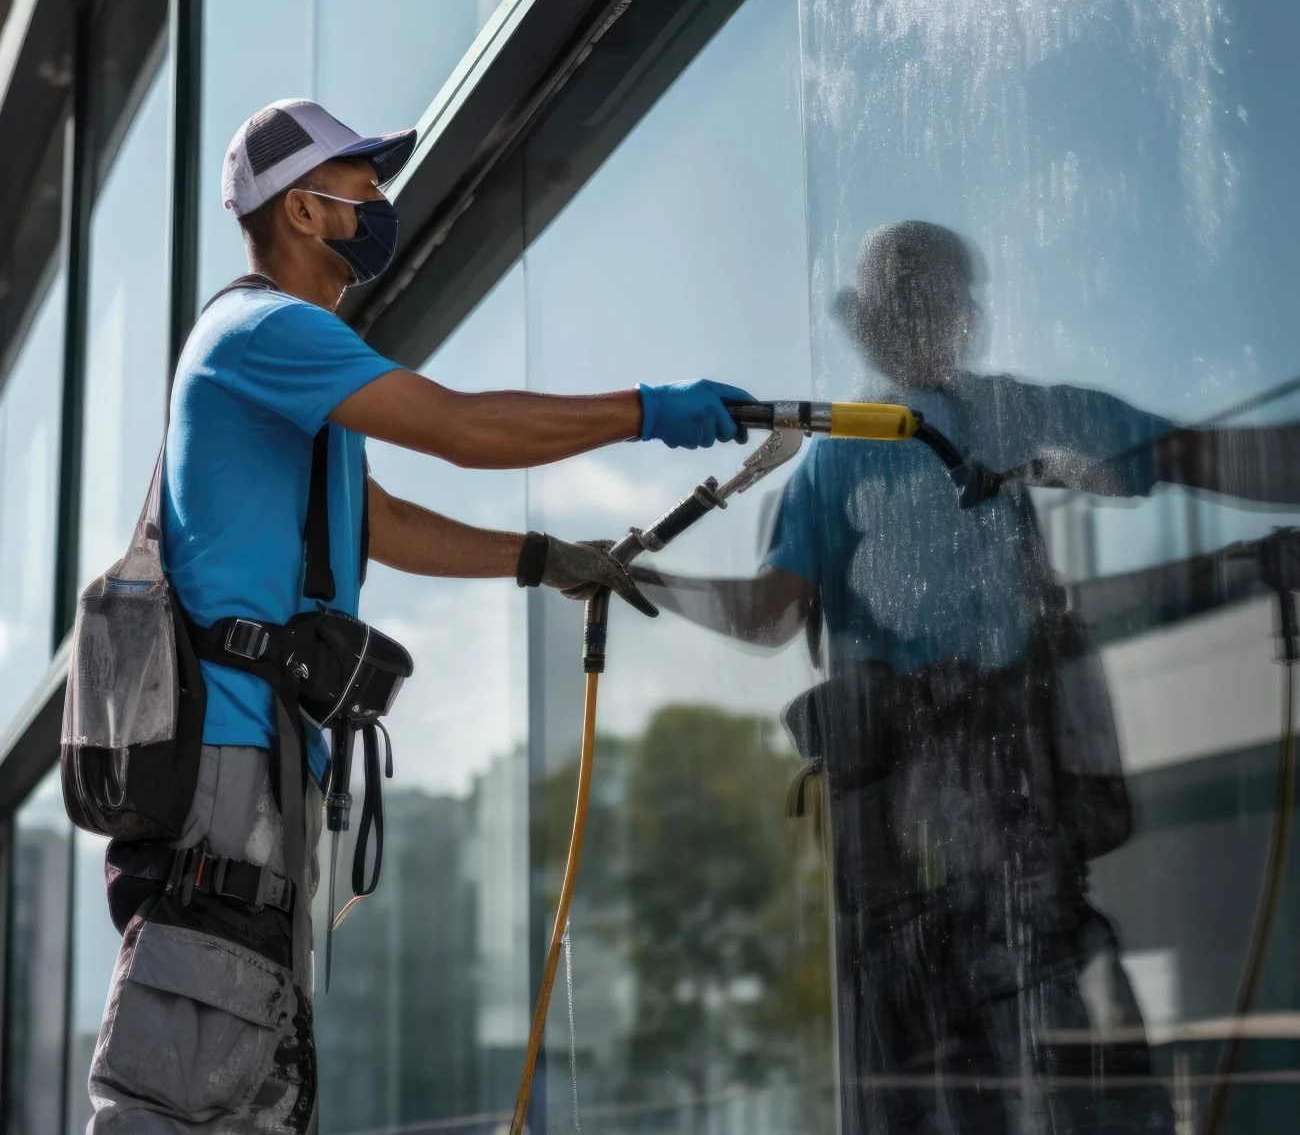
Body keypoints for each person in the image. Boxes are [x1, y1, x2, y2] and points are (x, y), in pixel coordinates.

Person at [85, 99, 752, 1132]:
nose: (380, 199)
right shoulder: (263, 329)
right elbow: (459, 427)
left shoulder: (305, 370)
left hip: (270, 763)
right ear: (302, 211)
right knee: (185, 1083)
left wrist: (539, 558)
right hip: (226, 759)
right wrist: (646, 410)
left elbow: (377, 521)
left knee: (249, 1073)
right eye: (362, 181)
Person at [639, 220, 1300, 1133]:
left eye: (933, 298)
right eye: (894, 304)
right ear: (870, 323)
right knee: (936, 1086)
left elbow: (1191, 454)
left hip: (1011, 814)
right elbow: (772, 611)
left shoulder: (1007, 418)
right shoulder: (834, 456)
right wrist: (639, 579)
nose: (913, 320)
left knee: (1070, 1066)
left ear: (962, 314)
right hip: (898, 847)